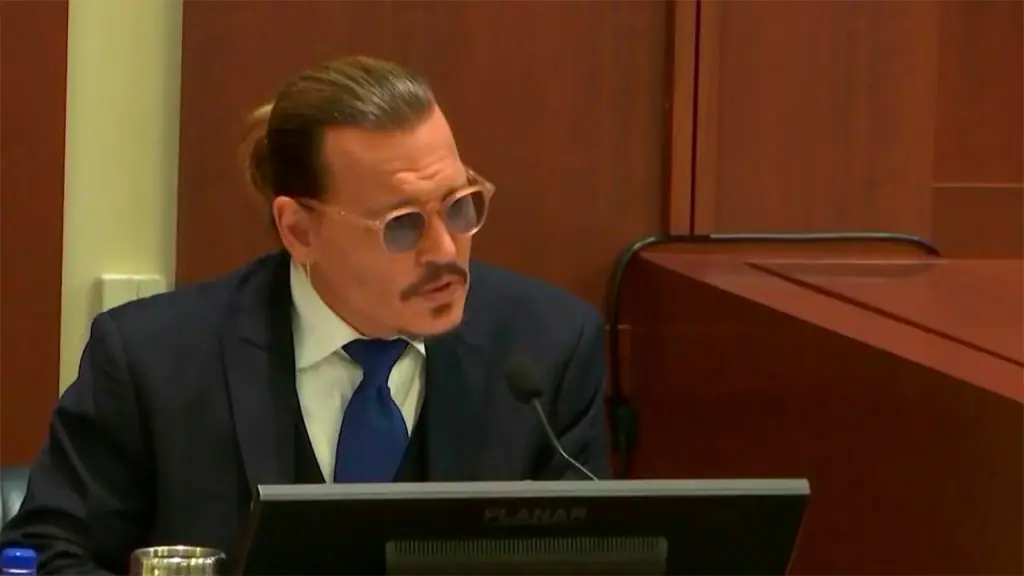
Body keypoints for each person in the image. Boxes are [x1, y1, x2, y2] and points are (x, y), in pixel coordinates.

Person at [0, 56, 610, 573]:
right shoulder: (153, 362)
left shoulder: (545, 351)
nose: (445, 250)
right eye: (402, 225)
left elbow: (597, 559)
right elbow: (49, 554)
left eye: (459, 206)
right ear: (298, 229)